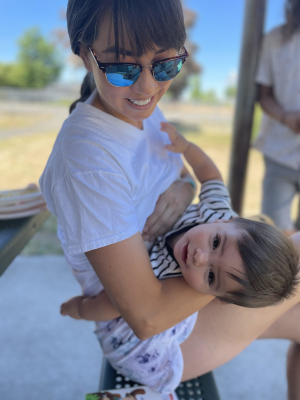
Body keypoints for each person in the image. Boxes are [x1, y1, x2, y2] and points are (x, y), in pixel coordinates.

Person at [40, 1, 300, 399]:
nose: (146, 88)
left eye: (165, 65)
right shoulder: (88, 161)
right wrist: (246, 264)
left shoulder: (145, 114)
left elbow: (181, 174)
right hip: (151, 339)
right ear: (82, 51)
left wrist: (184, 190)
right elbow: (145, 317)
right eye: (123, 67)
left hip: (180, 298)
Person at [61, 122, 299, 393]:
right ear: (229, 219)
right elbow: (210, 176)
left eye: (211, 276)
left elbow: (113, 304)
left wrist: (79, 309)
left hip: (143, 356)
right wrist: (187, 148)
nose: (199, 258)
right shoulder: (214, 209)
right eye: (216, 242)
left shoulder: (168, 275)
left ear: (216, 299)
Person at [254, 0, 300, 236]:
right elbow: (264, 96)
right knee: (274, 234)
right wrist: (285, 116)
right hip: (280, 152)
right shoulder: (275, 39)